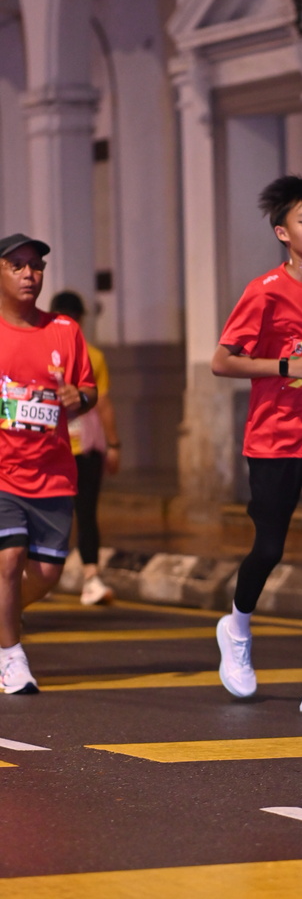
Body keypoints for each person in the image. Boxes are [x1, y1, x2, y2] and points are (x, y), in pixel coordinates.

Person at [211, 175, 302, 710]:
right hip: (274, 441)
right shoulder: (264, 290)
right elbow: (223, 361)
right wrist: (290, 366)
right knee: (268, 547)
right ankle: (237, 626)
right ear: (282, 232)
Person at [0, 234, 96, 693]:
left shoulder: (64, 329)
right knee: (8, 559)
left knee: (46, 574)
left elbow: (88, 391)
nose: (29, 274)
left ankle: (4, 620)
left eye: (36, 266)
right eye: (17, 265)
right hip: (3, 471)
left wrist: (80, 399)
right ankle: (11, 657)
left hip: (54, 471)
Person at [50, 291, 121, 606]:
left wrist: (113, 444)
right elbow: (103, 403)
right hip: (65, 448)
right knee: (83, 513)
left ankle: (84, 577)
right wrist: (114, 444)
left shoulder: (89, 355)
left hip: (69, 447)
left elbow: (100, 401)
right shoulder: (91, 355)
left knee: (61, 513)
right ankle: (85, 577)